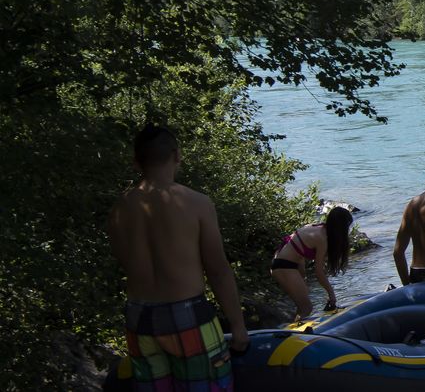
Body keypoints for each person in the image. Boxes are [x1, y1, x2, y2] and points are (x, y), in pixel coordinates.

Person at [106, 125, 247, 391]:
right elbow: (217, 270)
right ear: (177, 155)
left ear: (136, 161)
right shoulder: (196, 203)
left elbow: (125, 262)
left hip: (139, 319)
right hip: (188, 316)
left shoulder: (119, 208)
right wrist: (238, 327)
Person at [270, 207, 352, 321]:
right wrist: (331, 294)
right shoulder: (322, 238)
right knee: (307, 308)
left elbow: (296, 249)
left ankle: (293, 330)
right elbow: (318, 272)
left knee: (302, 308)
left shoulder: (316, 227)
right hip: (284, 266)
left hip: (283, 263)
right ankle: (296, 336)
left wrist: (302, 276)